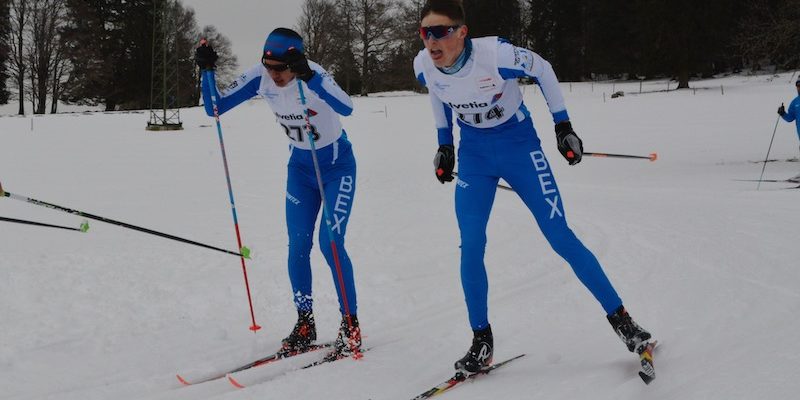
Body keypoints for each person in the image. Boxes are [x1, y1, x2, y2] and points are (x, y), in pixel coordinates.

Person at [413, 0, 653, 377]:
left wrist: (563, 126)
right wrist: (445, 144)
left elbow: (544, 69)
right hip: (474, 154)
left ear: (461, 32)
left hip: (518, 147)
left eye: (440, 31)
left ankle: (624, 321)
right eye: (425, 33)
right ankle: (482, 340)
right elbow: (436, 91)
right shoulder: (424, 63)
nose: (431, 41)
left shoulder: (497, 55)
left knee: (560, 235)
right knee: (471, 243)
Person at [195, 28, 361, 359]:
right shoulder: (260, 78)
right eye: (269, 67)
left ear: (295, 63)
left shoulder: (313, 74)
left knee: (330, 242)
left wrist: (309, 77)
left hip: (335, 168)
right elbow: (214, 108)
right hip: (300, 170)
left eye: (280, 69)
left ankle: (350, 324)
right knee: (298, 244)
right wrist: (207, 70)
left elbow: (346, 107)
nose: (275, 75)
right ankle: (305, 322)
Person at [777, 78, 800, 157]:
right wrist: (782, 113)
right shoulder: (795, 102)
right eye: (798, 85)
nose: (799, 87)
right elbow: (790, 118)